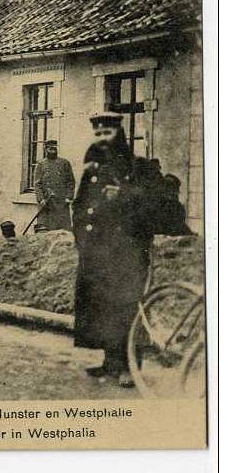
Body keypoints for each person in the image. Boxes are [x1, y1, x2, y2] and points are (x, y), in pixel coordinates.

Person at [72, 112, 159, 388]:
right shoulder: (92, 171)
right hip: (98, 251)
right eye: (97, 134)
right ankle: (110, 362)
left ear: (118, 134)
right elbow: (79, 206)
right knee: (102, 306)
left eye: (107, 133)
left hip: (128, 251)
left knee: (126, 306)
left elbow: (156, 203)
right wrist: (82, 241)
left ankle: (129, 367)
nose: (102, 139)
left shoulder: (137, 167)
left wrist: (123, 196)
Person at [33, 139, 75, 232]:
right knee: (45, 230)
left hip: (62, 202)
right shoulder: (41, 164)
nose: (53, 151)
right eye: (50, 149)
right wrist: (41, 199)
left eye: (54, 149)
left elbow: (71, 182)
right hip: (47, 203)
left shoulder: (65, 163)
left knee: (63, 230)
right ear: (46, 149)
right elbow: (37, 184)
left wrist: (69, 197)